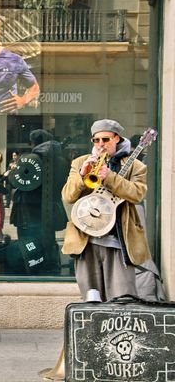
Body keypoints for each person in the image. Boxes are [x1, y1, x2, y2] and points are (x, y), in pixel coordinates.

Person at [62, 119, 151, 301]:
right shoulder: (80, 163)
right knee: (90, 299)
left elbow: (137, 193)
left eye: (106, 139)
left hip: (119, 242)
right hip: (86, 241)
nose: (101, 144)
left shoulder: (136, 166)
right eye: (96, 140)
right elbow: (68, 196)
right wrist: (82, 176)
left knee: (122, 301)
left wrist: (109, 177)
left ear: (117, 138)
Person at [10, 129, 68, 274]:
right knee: (48, 240)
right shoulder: (61, 160)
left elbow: (14, 182)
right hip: (51, 208)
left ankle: (33, 268)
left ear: (34, 142)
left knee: (29, 242)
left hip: (28, 209)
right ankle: (51, 267)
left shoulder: (31, 159)